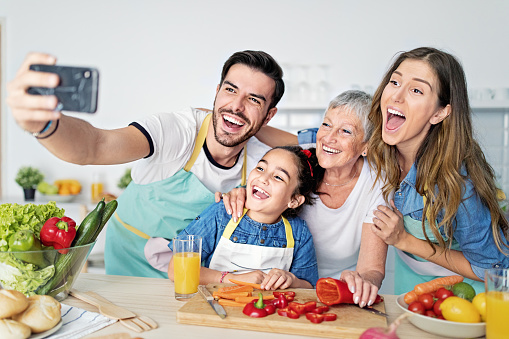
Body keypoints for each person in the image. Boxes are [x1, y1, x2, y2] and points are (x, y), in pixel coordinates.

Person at [7, 50, 284, 278]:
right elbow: (95, 145)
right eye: (230, 90)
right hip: (130, 260)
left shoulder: (262, 159)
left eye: (253, 100)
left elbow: (314, 147)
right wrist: (44, 125)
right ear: (216, 91)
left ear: (269, 115)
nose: (236, 105)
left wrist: (253, 126)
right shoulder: (177, 130)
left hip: (195, 269)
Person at [222, 90, 388, 307]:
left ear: (367, 146)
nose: (328, 138)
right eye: (326, 125)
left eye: (346, 131)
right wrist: (240, 193)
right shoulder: (302, 163)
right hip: (282, 289)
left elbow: (371, 268)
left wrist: (363, 282)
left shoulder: (376, 184)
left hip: (338, 295)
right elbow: (263, 175)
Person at [367, 47, 509, 294]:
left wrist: (404, 240)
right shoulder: (381, 151)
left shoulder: (458, 181)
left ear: (440, 112)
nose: (396, 97)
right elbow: (329, 144)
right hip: (409, 290)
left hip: (462, 298)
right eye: (395, 82)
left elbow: (493, 268)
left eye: (416, 90)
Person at [168, 146, 319, 289]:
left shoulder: (299, 232)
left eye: (278, 177)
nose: (263, 178)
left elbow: (308, 285)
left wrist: (292, 280)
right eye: (260, 168)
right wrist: (231, 279)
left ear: (294, 201)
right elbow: (176, 269)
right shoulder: (222, 213)